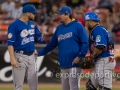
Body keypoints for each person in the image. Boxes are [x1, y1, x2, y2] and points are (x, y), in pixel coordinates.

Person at [35, 6, 89, 90]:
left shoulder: (78, 26)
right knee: (65, 88)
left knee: (74, 86)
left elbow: (85, 43)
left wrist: (80, 56)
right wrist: (39, 53)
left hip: (75, 63)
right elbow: (51, 44)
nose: (58, 16)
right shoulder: (59, 28)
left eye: (60, 14)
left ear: (67, 14)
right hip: (64, 64)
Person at [73, 12, 116, 90]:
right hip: (102, 61)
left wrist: (91, 57)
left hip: (104, 61)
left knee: (105, 88)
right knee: (90, 86)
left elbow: (100, 46)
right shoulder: (98, 30)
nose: (85, 24)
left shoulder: (98, 30)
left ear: (90, 21)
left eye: (86, 22)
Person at [7, 4, 43, 90]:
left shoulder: (32, 24)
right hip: (20, 56)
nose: (35, 15)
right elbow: (10, 43)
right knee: (18, 86)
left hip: (31, 56)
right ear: (27, 13)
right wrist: (12, 58)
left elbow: (40, 40)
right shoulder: (14, 25)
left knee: (34, 86)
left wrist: (39, 36)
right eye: (33, 13)